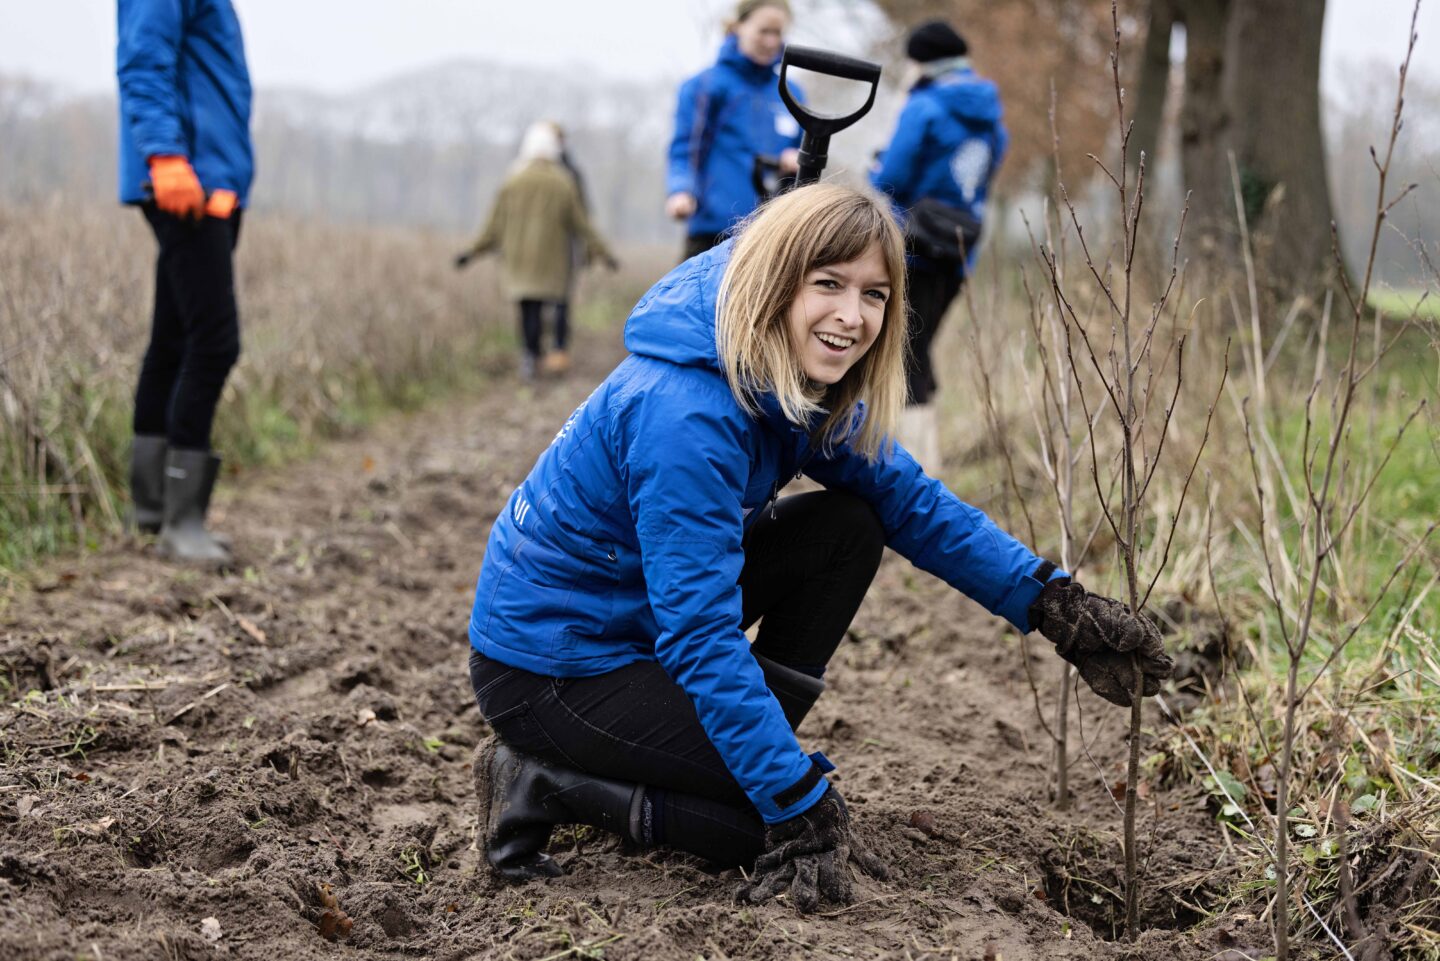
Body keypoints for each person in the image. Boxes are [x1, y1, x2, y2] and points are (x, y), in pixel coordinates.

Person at [465, 184, 1173, 912]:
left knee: (848, 526)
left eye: (875, 293)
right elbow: (701, 635)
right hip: (551, 670)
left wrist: (1052, 603)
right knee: (764, 827)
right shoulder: (687, 414)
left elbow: (910, 501)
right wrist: (794, 799)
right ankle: (536, 779)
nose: (852, 315)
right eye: (828, 284)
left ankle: (720, 754)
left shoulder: (788, 375)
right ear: (775, 283)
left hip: (633, 627)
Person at [117, 0, 254, 564]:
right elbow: (144, 60)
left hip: (209, 179)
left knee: (174, 340)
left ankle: (152, 510)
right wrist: (166, 155)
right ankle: (182, 521)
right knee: (215, 342)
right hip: (187, 180)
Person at [870, 19, 1008, 468]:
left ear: (921, 60)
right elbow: (983, 176)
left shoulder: (924, 106)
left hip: (914, 247)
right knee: (920, 347)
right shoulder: (989, 115)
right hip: (961, 249)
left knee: (903, 351)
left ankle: (912, 467)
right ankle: (923, 460)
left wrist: (875, 168)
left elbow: (892, 178)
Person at [455, 122, 617, 380]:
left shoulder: (512, 181)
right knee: (558, 305)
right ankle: (556, 353)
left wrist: (470, 252)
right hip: (554, 261)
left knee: (527, 309)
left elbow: (493, 226)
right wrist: (604, 253)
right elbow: (581, 224)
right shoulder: (563, 183)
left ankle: (531, 357)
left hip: (518, 261)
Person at [665, 0, 802, 261]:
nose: (772, 41)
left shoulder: (791, 93)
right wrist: (681, 189)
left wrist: (795, 158)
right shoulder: (705, 86)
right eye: (764, 31)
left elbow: (802, 149)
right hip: (714, 230)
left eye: (778, 33)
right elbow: (685, 147)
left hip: (771, 234)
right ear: (739, 27)